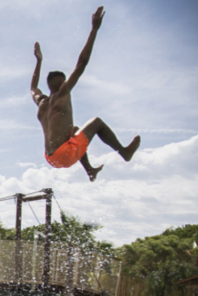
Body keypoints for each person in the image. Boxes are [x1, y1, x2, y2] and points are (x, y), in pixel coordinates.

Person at [31, 6, 140, 182]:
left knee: (75, 131)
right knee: (97, 122)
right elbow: (82, 63)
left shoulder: (42, 102)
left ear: (48, 84)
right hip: (64, 155)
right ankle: (125, 152)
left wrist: (39, 61)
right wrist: (94, 29)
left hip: (50, 158)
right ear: (63, 83)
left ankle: (89, 170)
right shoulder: (63, 93)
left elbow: (33, 88)